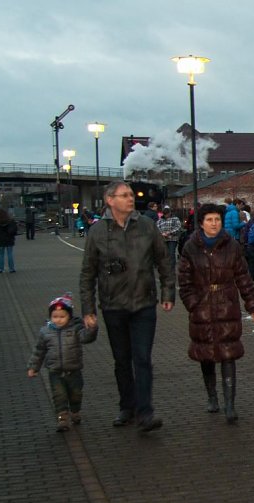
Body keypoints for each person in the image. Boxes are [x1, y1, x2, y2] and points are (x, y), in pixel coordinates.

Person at [79, 181, 175, 431]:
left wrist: (168, 292)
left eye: (131, 195)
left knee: (142, 358)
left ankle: (145, 412)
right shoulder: (97, 232)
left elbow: (164, 260)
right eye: (124, 195)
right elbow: (87, 273)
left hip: (143, 303)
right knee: (122, 359)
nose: (130, 199)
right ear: (110, 200)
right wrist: (88, 310)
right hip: (113, 305)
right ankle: (127, 406)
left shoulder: (146, 226)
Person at [177, 204, 254, 423]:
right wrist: (193, 303)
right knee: (206, 355)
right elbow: (184, 280)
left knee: (228, 354)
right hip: (202, 307)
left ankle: (229, 404)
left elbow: (243, 278)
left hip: (226, 305)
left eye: (217, 219)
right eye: (209, 220)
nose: (214, 223)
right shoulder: (190, 247)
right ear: (201, 223)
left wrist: (253, 306)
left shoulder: (232, 246)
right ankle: (212, 397)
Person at [27, 293, 98, 431]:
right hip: (55, 372)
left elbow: (86, 338)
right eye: (55, 317)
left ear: (69, 316)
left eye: (62, 317)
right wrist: (33, 367)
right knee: (59, 396)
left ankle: (75, 411)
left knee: (76, 393)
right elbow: (39, 351)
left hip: (74, 370)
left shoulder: (76, 329)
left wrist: (92, 328)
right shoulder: (45, 332)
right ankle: (62, 418)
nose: (58, 320)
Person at [156, 206, 182, 273]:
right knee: (164, 254)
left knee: (171, 254)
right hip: (163, 239)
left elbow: (178, 227)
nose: (166, 216)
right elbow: (156, 229)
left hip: (172, 239)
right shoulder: (159, 221)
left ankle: (172, 269)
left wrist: (169, 232)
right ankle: (165, 268)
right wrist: (162, 234)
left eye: (167, 214)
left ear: (170, 213)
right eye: (165, 214)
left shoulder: (175, 219)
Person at [0, 209, 18, 273]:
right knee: (10, 254)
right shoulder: (10, 220)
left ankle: (0, 269)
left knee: (1, 255)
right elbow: (15, 230)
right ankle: (11, 269)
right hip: (9, 239)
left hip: (1, 240)